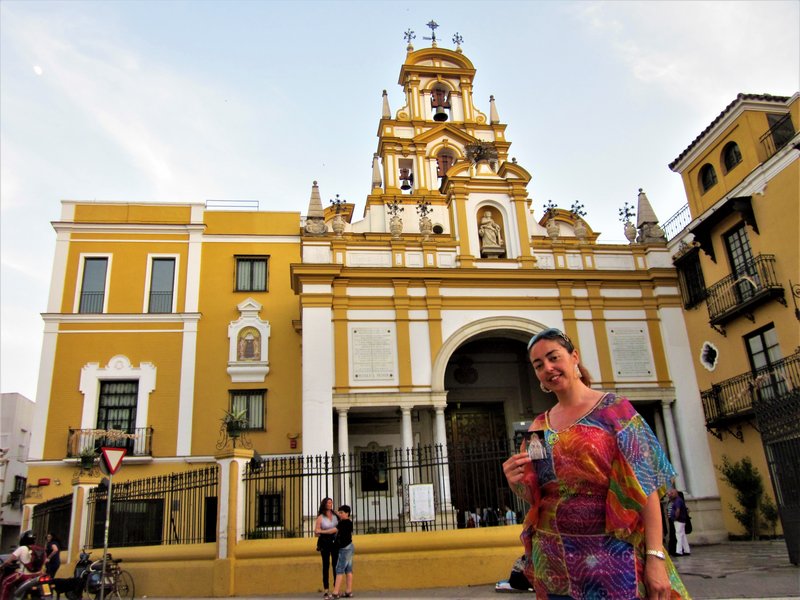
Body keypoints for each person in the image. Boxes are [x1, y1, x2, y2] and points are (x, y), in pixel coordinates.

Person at [503, 328, 689, 600]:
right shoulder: (539, 427)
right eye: (538, 365)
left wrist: (655, 557)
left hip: (613, 558)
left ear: (574, 356)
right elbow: (538, 494)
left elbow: (646, 487)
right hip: (554, 562)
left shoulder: (616, 411)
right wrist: (515, 481)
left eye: (554, 357)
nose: (548, 368)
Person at [0, 530, 42, 600]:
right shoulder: (38, 548)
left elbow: (8, 561)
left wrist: (1, 566)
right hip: (37, 575)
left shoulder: (22, 548)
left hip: (23, 575)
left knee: (5, 582)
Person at [314, 497, 339, 600]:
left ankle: (335, 589)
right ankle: (326, 590)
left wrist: (323, 531)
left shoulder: (335, 515)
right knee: (326, 565)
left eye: (331, 502)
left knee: (335, 565)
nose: (330, 504)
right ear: (324, 504)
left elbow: (338, 528)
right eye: (328, 502)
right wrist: (328, 531)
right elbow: (316, 532)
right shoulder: (320, 517)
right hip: (325, 543)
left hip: (335, 542)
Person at [331, 504, 354, 599]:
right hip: (350, 547)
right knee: (348, 570)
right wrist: (337, 512)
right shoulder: (349, 522)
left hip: (344, 549)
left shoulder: (342, 523)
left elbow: (333, 530)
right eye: (339, 513)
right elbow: (341, 514)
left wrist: (321, 531)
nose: (340, 514)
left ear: (347, 513)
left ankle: (335, 592)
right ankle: (349, 591)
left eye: (342, 513)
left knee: (339, 570)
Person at [668, 488, 691, 557]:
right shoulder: (678, 500)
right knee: (682, 535)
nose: (670, 495)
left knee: (678, 535)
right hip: (681, 520)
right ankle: (687, 550)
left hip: (679, 520)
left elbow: (678, 510)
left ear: (676, 493)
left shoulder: (677, 501)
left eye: (672, 493)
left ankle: (679, 551)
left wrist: (675, 518)